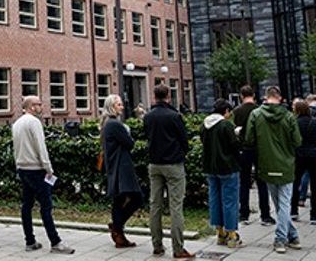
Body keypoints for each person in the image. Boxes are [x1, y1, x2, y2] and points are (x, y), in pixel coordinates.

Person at [12, 95, 75, 254]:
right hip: (36, 169)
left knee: (27, 205)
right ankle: (55, 242)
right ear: (32, 106)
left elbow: (16, 147)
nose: (42, 107)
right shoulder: (34, 122)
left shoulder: (17, 123)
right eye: (39, 104)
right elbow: (41, 146)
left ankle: (30, 241)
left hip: (22, 167)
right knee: (46, 206)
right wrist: (48, 168)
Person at [245, 86, 302, 254]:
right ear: (280, 98)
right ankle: (281, 238)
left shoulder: (256, 115)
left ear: (265, 97)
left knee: (279, 204)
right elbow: (297, 141)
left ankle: (292, 236)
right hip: (286, 164)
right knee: (284, 204)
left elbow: (249, 139)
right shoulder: (289, 116)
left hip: (266, 164)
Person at [144, 85, 193, 259]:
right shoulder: (174, 116)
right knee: (176, 207)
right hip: (173, 164)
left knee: (155, 205)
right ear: (168, 97)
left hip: (154, 164)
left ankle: (157, 245)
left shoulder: (148, 117)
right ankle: (178, 248)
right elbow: (184, 140)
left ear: (154, 96)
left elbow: (147, 137)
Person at [102, 94, 142, 249]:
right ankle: (117, 228)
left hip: (115, 166)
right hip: (122, 167)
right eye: (119, 104)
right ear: (112, 106)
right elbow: (129, 143)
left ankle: (118, 233)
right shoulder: (115, 125)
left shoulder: (107, 123)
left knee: (119, 200)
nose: (122, 107)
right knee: (137, 198)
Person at [202, 99, 242, 249]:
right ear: (225, 111)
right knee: (229, 200)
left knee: (214, 199)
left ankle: (220, 232)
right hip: (227, 167)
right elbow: (234, 146)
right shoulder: (226, 125)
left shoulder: (204, 125)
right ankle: (232, 234)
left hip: (210, 167)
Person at [232, 86, 272, 226]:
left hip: (244, 149)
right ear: (254, 95)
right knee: (262, 182)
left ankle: (244, 214)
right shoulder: (260, 110)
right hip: (260, 148)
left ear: (241, 96)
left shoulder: (237, 111)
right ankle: (265, 215)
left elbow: (234, 130)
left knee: (244, 182)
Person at [291, 100, 316, 225]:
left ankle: (294, 211)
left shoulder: (295, 123)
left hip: (300, 156)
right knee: (315, 185)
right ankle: (314, 215)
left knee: (295, 183)